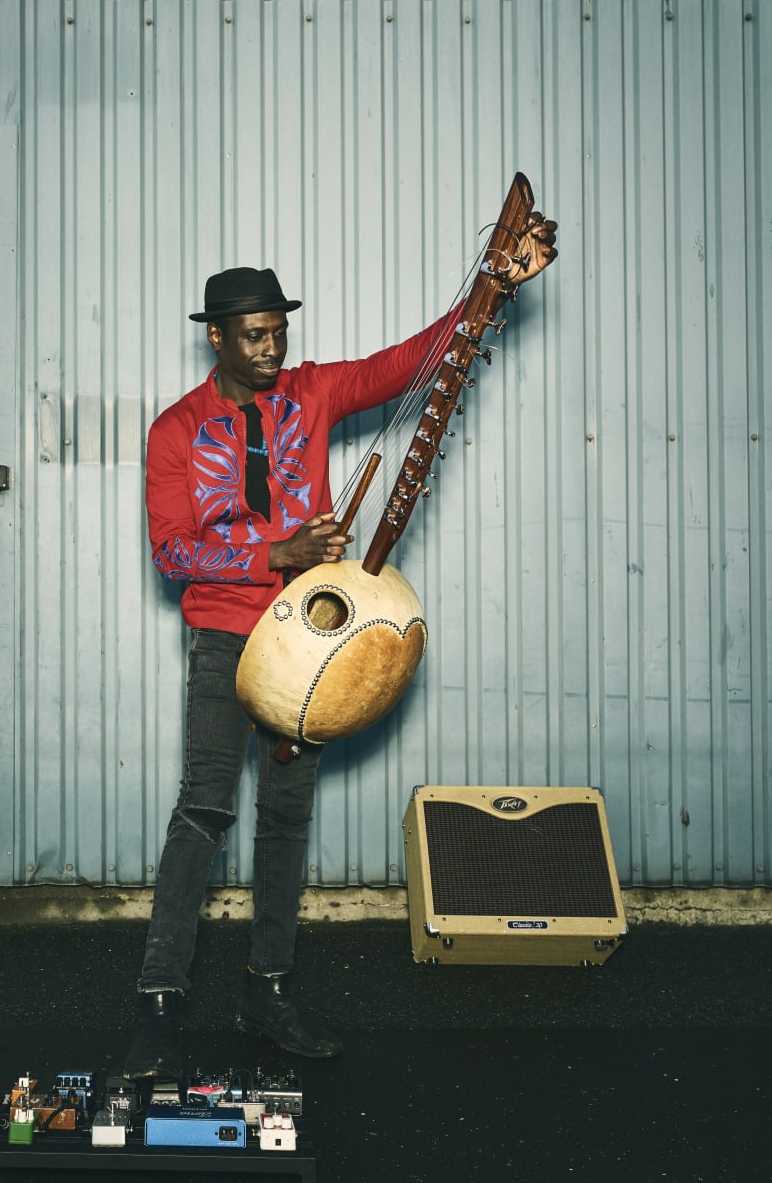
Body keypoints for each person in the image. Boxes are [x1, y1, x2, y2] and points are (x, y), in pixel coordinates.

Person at [123, 230, 556, 1078]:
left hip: (316, 636)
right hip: (226, 635)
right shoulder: (176, 429)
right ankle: (158, 1004)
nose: (272, 348)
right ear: (217, 335)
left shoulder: (313, 393)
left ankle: (268, 991)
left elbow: (409, 363)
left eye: (279, 330)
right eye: (254, 334)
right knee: (203, 813)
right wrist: (275, 553)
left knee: (285, 818)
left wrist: (491, 286)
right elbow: (170, 551)